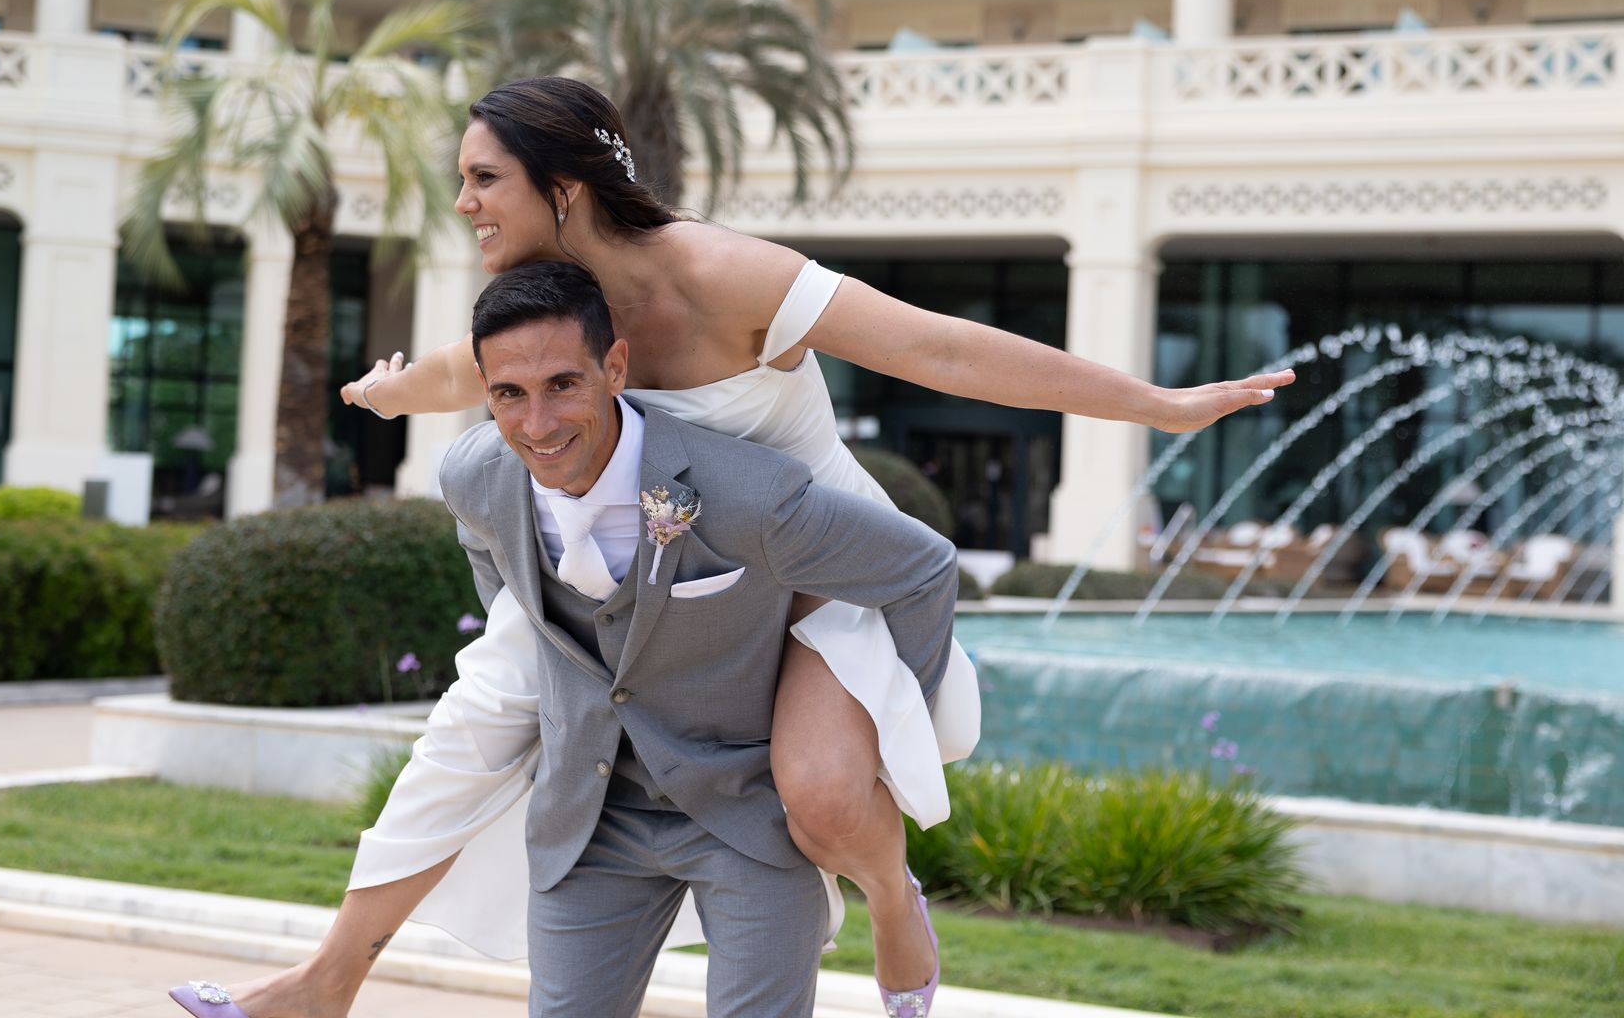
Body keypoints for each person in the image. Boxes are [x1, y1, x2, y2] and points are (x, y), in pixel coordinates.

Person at [185, 75, 1295, 1017]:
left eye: (484, 177)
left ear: (561, 190)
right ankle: (329, 978)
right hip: (640, 570)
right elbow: (460, 371)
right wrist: (387, 391)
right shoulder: (548, 311)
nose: (463, 198)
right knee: (471, 719)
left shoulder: (726, 275)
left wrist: (1155, 404)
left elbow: (943, 351)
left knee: (815, 792)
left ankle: (893, 896)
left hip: (814, 568)